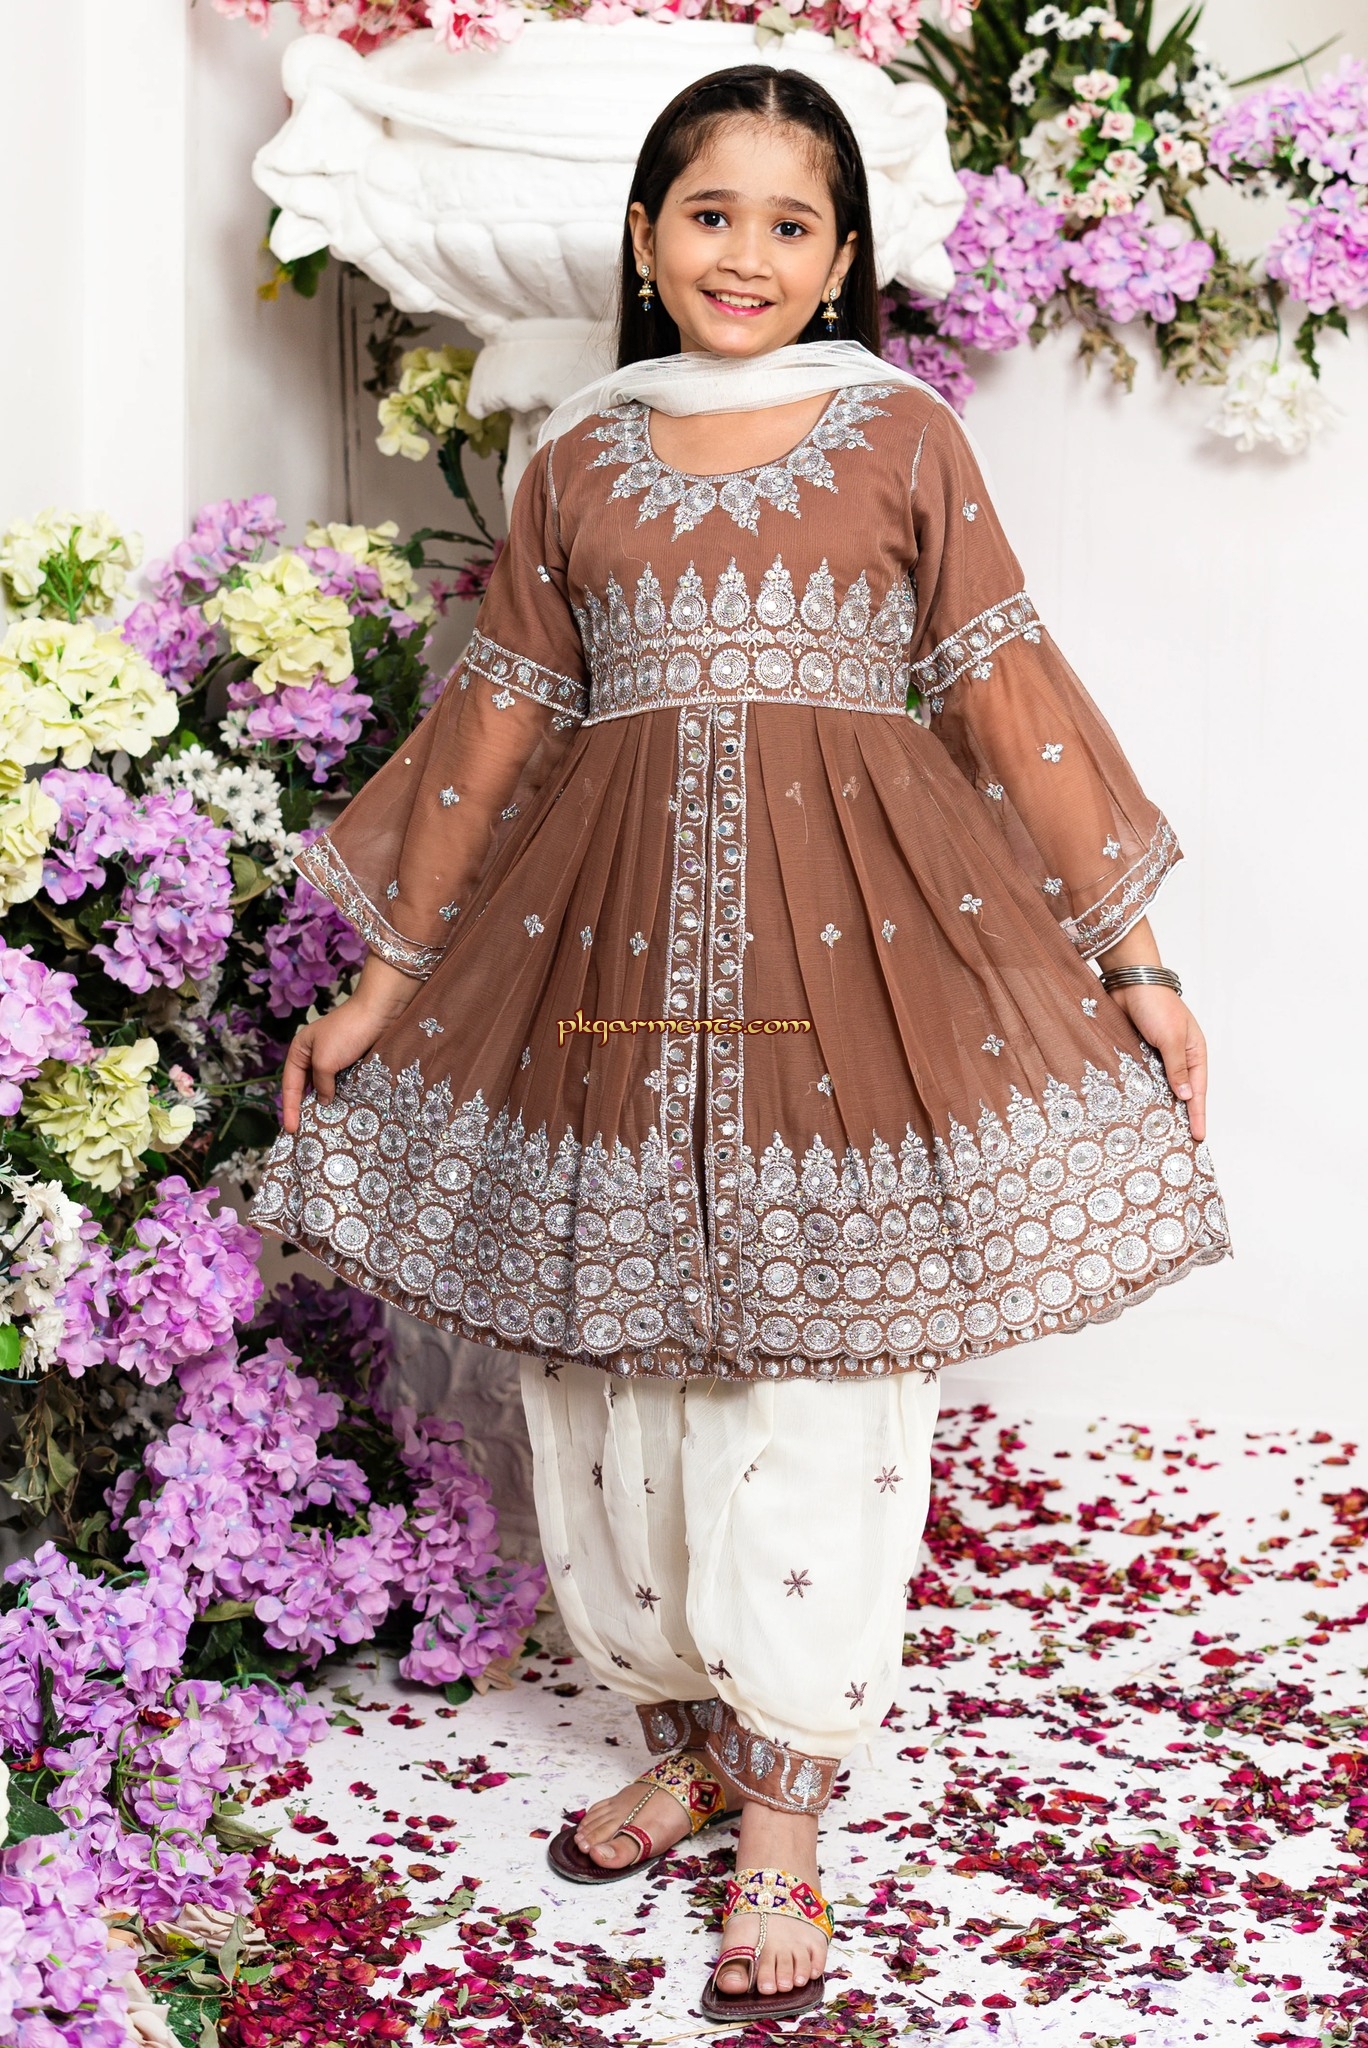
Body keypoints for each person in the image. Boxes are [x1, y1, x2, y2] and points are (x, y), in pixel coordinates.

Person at [249, 63, 1231, 2023]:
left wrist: (1133, 955)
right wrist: (380, 984)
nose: (748, 255)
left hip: (855, 977)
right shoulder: (576, 460)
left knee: (814, 1375)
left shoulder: (905, 435)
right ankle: (690, 1734)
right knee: (613, 1372)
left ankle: (784, 1807)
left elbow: (1007, 695)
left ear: (845, 254)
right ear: (646, 234)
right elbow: (489, 737)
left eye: (793, 224)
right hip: (601, 972)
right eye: (712, 215)